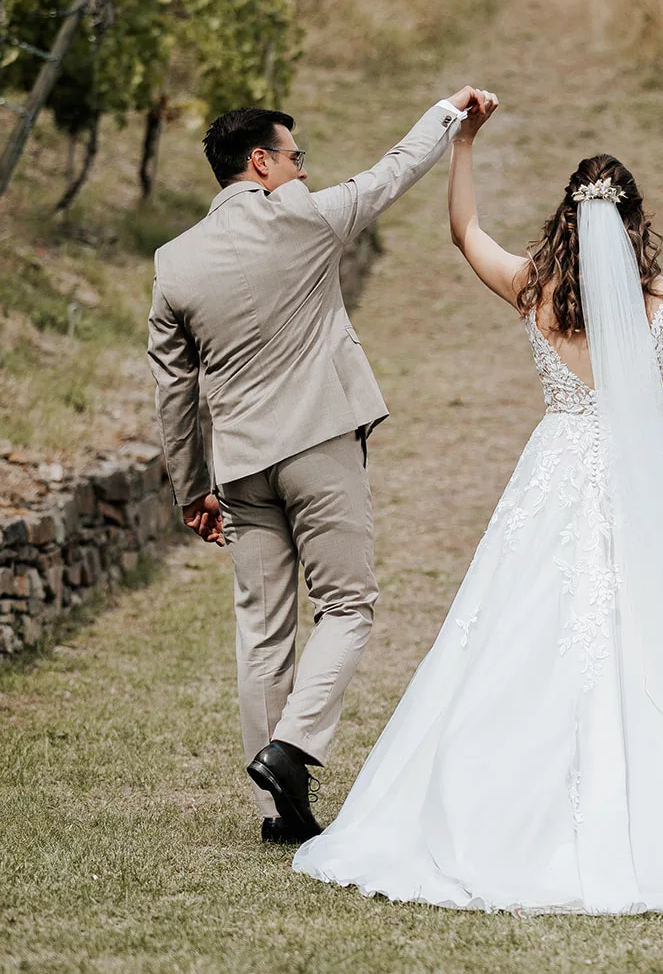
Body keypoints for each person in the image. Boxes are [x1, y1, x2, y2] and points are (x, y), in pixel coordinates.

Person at [292, 93, 663, 915]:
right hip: (652, 479)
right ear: (635, 222)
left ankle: (508, 812)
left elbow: (464, 233)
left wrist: (465, 147)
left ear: (568, 217)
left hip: (558, 468)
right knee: (662, 631)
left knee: (527, 628)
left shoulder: (536, 287)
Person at [147, 86, 489, 845]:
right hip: (320, 447)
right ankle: (292, 749)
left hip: (239, 470)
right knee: (347, 605)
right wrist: (446, 113)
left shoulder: (174, 263)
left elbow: (172, 387)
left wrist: (191, 486)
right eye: (297, 159)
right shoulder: (303, 216)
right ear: (261, 163)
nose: (305, 171)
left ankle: (279, 813)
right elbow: (392, 172)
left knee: (263, 633)